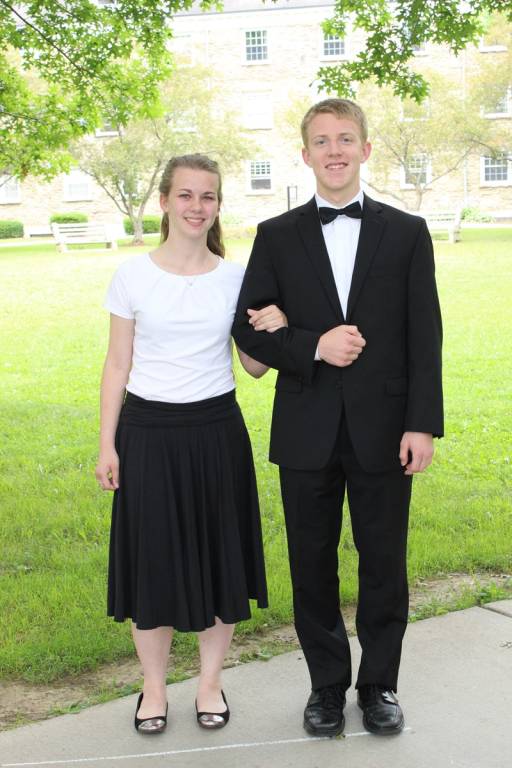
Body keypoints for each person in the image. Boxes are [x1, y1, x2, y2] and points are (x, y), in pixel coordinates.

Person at [232, 98, 443, 737]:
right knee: (311, 562)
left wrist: (421, 423)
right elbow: (250, 330)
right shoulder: (276, 235)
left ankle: (379, 684)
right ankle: (326, 685)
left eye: (346, 138)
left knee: (384, 562)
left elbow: (424, 334)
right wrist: (312, 345)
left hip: (387, 428)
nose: (334, 150)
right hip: (306, 427)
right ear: (305, 155)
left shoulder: (407, 232)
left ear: (366, 149)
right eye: (321, 141)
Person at [95, 154, 287, 734]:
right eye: (185, 195)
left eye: (207, 196)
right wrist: (107, 444)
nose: (196, 207)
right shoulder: (132, 276)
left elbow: (254, 367)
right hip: (147, 435)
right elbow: (117, 364)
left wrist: (275, 327)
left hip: (215, 434)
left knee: (218, 558)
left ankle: (209, 682)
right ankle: (153, 688)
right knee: (152, 563)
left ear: (218, 205)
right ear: (164, 202)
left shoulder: (235, 278)